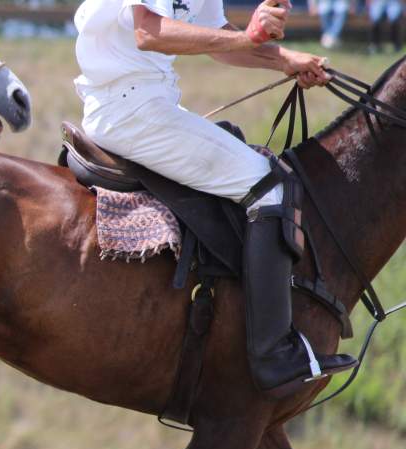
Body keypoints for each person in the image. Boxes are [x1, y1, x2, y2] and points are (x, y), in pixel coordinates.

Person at [72, 0, 356, 390]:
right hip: (132, 110)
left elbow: (218, 40)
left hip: (146, 104)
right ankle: (272, 355)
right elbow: (149, 33)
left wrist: (284, 58)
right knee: (269, 186)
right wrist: (247, 36)